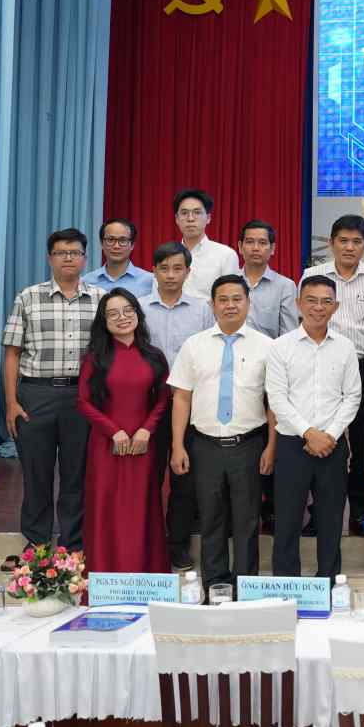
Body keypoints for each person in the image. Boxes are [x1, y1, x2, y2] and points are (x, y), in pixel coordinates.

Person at [2, 228, 105, 563]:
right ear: (50, 258)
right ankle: (36, 542)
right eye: (61, 253)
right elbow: (12, 354)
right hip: (36, 395)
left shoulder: (100, 298)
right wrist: (12, 403)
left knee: (76, 475)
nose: (68, 258)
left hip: (82, 397)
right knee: (37, 474)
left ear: (85, 258)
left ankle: (74, 544)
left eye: (74, 252)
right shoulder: (28, 297)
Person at [167, 275, 276, 587]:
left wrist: (271, 446)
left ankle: (246, 587)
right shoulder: (194, 345)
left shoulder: (267, 347)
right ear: (212, 305)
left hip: (249, 444)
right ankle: (214, 586)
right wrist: (177, 445)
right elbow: (182, 397)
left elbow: (273, 402)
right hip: (205, 445)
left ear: (248, 303)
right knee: (211, 519)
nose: (230, 305)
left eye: (237, 299)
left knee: (246, 521)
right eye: (223, 300)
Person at [266, 276, 362, 579]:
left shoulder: (346, 347)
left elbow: (353, 396)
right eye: (311, 300)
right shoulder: (280, 347)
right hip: (293, 445)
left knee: (331, 519)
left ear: (335, 307)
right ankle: (286, 584)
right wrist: (310, 433)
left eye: (325, 301)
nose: (318, 308)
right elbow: (277, 399)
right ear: (298, 304)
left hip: (333, 447)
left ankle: (330, 584)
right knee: (287, 520)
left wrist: (330, 435)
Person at [303, 215, 364, 538]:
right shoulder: (313, 275)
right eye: (343, 241)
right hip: (323, 367)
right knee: (325, 440)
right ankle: (319, 513)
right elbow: (307, 320)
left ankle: (361, 514)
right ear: (331, 243)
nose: (349, 247)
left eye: (356, 242)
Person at [76, 289, 170, 573]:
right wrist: (113, 431)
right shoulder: (95, 358)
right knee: (106, 510)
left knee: (142, 510)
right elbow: (83, 401)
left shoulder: (154, 356)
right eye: (113, 313)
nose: (122, 317)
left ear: (138, 314)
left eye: (127, 310)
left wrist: (146, 431)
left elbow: (164, 398)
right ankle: (106, 580)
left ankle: (145, 578)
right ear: (103, 321)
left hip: (143, 446)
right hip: (106, 447)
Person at [141, 241, 215, 571]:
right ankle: (146, 542)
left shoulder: (201, 309)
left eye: (177, 268)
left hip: (189, 403)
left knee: (184, 478)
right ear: (153, 270)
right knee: (147, 477)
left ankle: (177, 545)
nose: (170, 275)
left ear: (188, 271)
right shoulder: (140, 307)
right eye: (163, 268)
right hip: (147, 404)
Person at [173, 189, 239, 300]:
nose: (190, 219)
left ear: (208, 218)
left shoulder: (225, 255)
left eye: (197, 212)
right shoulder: (168, 255)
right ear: (177, 219)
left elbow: (230, 299)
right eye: (184, 213)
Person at [238, 220, 298, 339]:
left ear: (273, 248)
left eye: (262, 242)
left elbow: (289, 335)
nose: (255, 248)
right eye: (250, 242)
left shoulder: (285, 286)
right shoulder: (227, 284)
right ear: (240, 247)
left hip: (268, 356)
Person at [82, 219, 153, 296]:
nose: (116, 246)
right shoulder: (86, 282)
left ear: (132, 245)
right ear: (101, 243)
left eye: (123, 240)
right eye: (110, 240)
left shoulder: (150, 281)